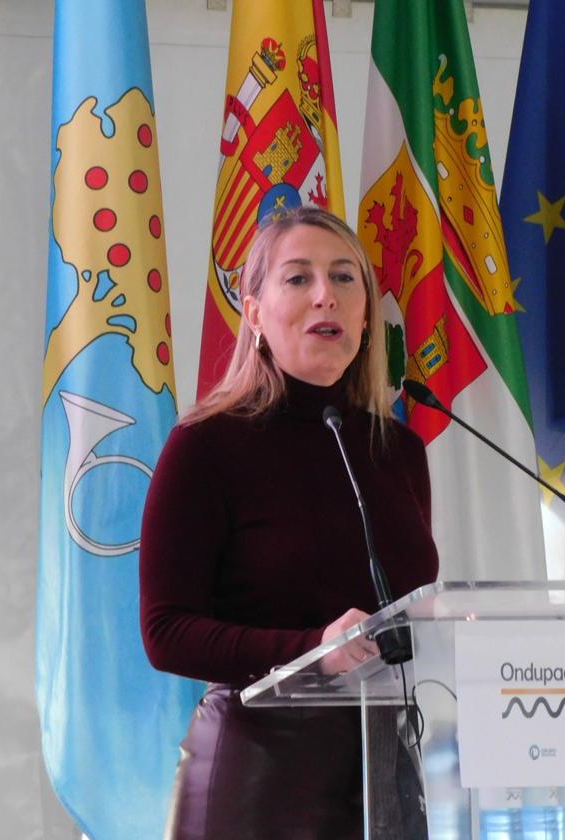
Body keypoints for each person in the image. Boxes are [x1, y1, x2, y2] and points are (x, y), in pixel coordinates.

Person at [139, 206, 439, 839]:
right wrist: (313, 650)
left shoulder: (400, 452)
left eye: (344, 277)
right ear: (254, 313)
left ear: (364, 312)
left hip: (385, 772)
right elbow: (165, 632)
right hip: (261, 779)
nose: (325, 294)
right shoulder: (208, 445)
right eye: (298, 278)